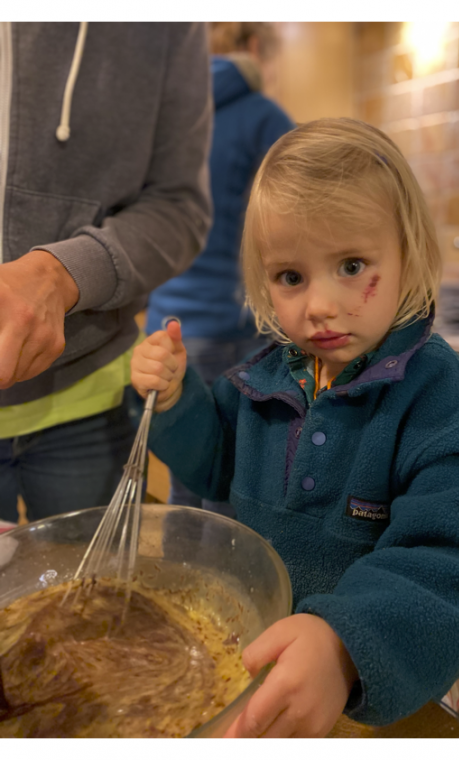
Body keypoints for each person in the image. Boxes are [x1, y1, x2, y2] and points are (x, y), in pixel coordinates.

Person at [130, 119, 459, 736]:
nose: (318, 306)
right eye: (291, 277)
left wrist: (343, 645)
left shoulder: (442, 406)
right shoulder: (266, 380)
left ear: (409, 256)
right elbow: (213, 465)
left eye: (351, 265)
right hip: (256, 666)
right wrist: (179, 401)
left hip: (373, 685)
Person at [0, 22, 212, 523]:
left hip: (89, 403)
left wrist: (63, 273)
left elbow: (179, 205)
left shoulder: (168, 25)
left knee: (99, 601)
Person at [145, 22, 293, 514]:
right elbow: (302, 212)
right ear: (254, 47)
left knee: (186, 482)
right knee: (238, 485)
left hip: (169, 329)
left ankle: (183, 586)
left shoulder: (168, 115)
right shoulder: (263, 117)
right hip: (238, 327)